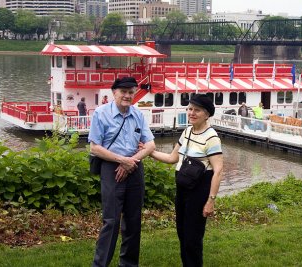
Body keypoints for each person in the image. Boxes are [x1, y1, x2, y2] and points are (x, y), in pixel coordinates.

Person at [89, 77, 156, 267]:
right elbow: (95, 148)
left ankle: (128, 264)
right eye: (123, 92)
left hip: (134, 167)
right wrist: (122, 160)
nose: (127, 96)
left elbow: (150, 144)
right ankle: (100, 264)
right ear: (114, 93)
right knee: (111, 221)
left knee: (134, 220)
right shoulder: (101, 114)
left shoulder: (137, 114)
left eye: (131, 92)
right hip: (111, 167)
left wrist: (131, 161)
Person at [150, 94, 223, 266]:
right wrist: (149, 152)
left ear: (207, 114)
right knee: (182, 233)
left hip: (199, 190)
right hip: (183, 188)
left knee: (193, 237)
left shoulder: (211, 137)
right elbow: (172, 158)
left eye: (197, 110)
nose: (191, 113)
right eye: (190, 109)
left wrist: (210, 201)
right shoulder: (187, 131)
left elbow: (218, 170)